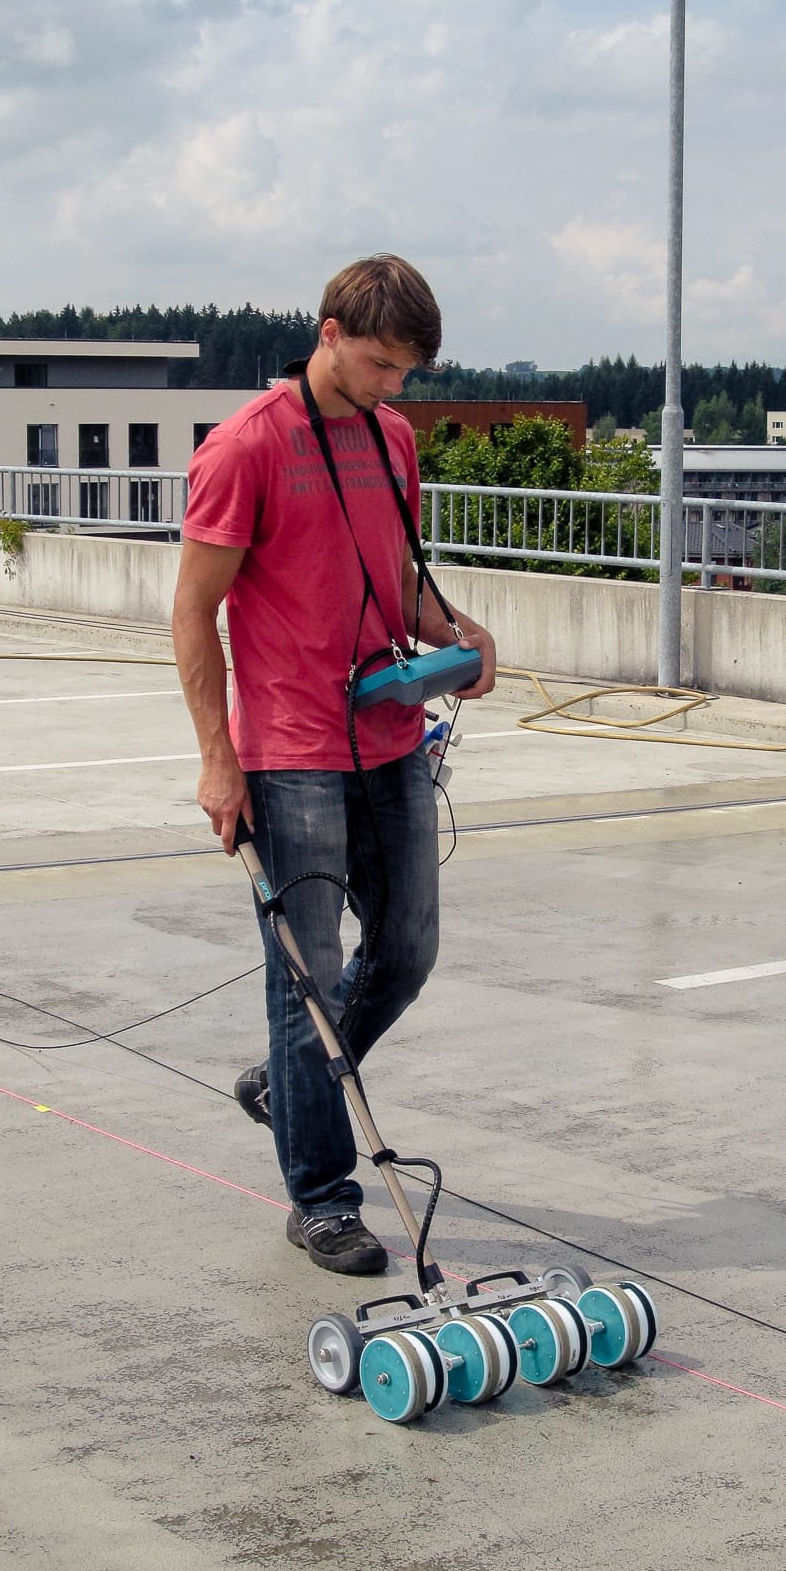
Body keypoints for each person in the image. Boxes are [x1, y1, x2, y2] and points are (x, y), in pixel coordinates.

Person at [172, 254, 496, 1275]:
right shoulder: (246, 447)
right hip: (289, 752)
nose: (392, 385)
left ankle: (290, 1081)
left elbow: (395, 581)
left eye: (406, 371)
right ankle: (321, 1196)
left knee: (407, 950)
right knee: (305, 976)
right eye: (378, 363)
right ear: (328, 333)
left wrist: (458, 633)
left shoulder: (390, 436)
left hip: (387, 730)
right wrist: (218, 761)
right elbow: (192, 612)